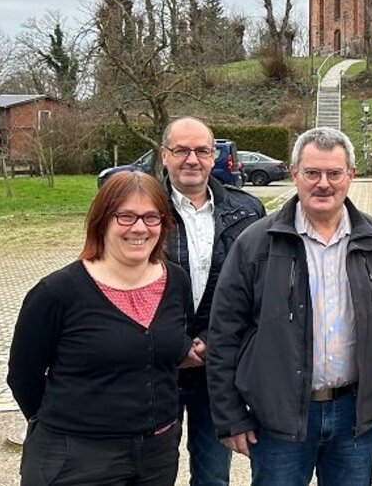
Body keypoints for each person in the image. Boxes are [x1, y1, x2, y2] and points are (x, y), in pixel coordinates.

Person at [206, 127, 372, 486]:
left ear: (351, 175)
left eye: (334, 173)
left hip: (355, 417)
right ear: (294, 173)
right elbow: (224, 334)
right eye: (312, 173)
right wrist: (230, 415)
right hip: (279, 417)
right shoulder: (255, 244)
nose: (323, 184)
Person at [8, 171, 198, 486]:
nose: (139, 228)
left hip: (157, 455)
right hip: (78, 457)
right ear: (102, 221)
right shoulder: (58, 292)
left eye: (152, 217)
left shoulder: (176, 281)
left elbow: (170, 344)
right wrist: (67, 424)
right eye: (125, 216)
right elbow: (22, 375)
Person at [159, 117, 265, 486]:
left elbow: (255, 293)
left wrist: (210, 341)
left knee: (213, 476)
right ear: (164, 155)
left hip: (215, 367)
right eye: (181, 150)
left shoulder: (247, 212)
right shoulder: (142, 208)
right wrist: (178, 344)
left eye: (202, 150)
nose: (192, 159)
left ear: (214, 155)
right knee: (151, 471)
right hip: (155, 366)